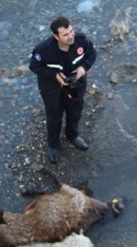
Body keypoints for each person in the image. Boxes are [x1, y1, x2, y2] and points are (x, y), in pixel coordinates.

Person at [29, 16, 97, 164]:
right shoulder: (43, 50)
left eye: (71, 31)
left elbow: (91, 55)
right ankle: (53, 145)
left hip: (76, 86)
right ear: (56, 36)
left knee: (75, 113)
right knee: (54, 118)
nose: (71, 36)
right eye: (65, 35)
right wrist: (54, 75)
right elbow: (34, 66)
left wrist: (83, 68)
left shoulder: (81, 41)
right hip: (52, 90)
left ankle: (72, 135)